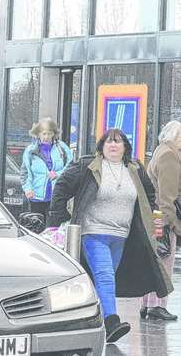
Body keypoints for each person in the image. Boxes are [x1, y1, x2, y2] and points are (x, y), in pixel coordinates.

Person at [49, 128, 172, 344]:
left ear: (125, 147)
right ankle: (112, 322)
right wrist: (61, 217)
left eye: (117, 142)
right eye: (108, 142)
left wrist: (154, 220)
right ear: (101, 147)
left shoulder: (134, 169)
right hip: (93, 232)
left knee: (103, 280)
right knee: (105, 275)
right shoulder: (88, 166)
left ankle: (87, 318)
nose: (112, 146)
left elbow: (149, 194)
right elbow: (61, 186)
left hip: (121, 235)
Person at [143, 121, 181, 322]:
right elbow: (167, 194)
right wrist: (169, 223)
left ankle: (148, 303)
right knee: (164, 262)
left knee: (156, 260)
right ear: (172, 136)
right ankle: (157, 305)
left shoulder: (162, 151)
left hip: (157, 215)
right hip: (163, 216)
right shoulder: (169, 156)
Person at [21, 119, 72, 223]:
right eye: (43, 133)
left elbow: (71, 166)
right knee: (36, 226)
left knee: (53, 227)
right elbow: (25, 172)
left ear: (53, 134)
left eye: (49, 134)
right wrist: (27, 189)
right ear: (38, 134)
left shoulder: (62, 148)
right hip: (35, 197)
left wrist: (57, 174)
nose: (46, 137)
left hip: (56, 196)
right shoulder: (30, 150)